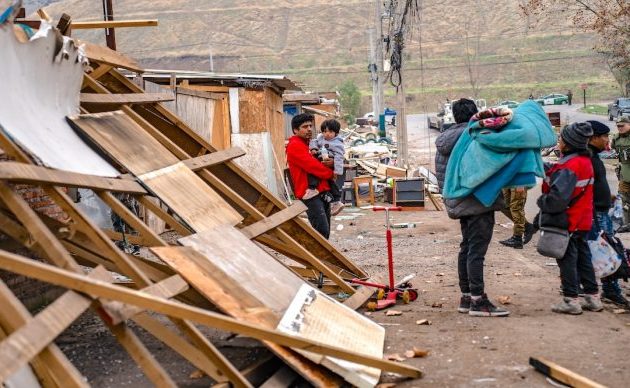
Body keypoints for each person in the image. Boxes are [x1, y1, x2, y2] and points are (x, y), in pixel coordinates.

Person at [435, 98, 509, 317]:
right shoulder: (475, 136)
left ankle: (466, 297)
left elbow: (442, 176)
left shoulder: (445, 140)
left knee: (467, 247)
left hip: (459, 202)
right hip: (478, 201)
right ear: (476, 114)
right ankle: (478, 301)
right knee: (476, 251)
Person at [537, 122, 602, 314]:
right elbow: (559, 172)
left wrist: (542, 202)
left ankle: (571, 300)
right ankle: (592, 297)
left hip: (569, 220)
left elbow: (557, 199)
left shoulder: (571, 165)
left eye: (561, 138)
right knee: (583, 257)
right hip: (582, 219)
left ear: (568, 143)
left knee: (566, 258)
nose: (559, 141)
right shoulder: (583, 161)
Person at [587, 120, 630, 307]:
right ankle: (611, 290)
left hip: (601, 209)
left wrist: (608, 196)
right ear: (593, 137)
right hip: (596, 212)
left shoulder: (593, 155)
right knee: (608, 252)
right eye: (604, 136)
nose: (607, 140)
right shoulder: (587, 157)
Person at [286, 113, 335, 238]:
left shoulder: (308, 144)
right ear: (295, 130)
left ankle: (321, 257)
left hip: (320, 191)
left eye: (310, 126)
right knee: (321, 231)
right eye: (304, 126)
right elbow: (312, 166)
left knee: (325, 230)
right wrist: (330, 173)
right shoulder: (295, 145)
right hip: (309, 194)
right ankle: (316, 257)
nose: (309, 129)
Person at [308, 119, 345, 216]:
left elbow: (339, 157)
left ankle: (337, 201)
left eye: (330, 132)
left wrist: (336, 172)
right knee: (324, 180)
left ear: (336, 133)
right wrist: (314, 148)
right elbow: (313, 141)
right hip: (321, 160)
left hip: (330, 162)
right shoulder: (320, 138)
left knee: (331, 182)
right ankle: (332, 200)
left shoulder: (338, 143)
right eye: (324, 131)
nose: (327, 134)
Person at [611, 115, 630, 232]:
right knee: (624, 198)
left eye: (622, 126)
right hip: (625, 172)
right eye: (618, 126)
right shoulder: (616, 138)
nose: (619, 128)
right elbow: (613, 149)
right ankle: (627, 223)